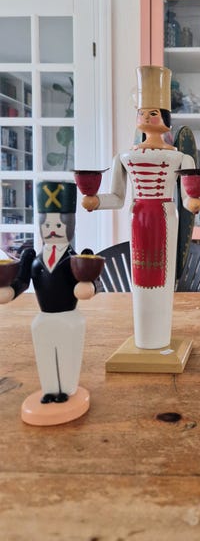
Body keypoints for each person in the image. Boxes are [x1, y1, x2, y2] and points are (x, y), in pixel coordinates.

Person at [82, 66, 200, 351]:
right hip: (137, 216)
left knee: (163, 279)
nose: (147, 117)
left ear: (166, 118)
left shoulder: (180, 158)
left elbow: (188, 196)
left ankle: (160, 338)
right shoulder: (125, 157)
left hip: (166, 217)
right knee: (141, 278)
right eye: (142, 112)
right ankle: (145, 339)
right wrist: (95, 201)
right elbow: (117, 197)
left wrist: (193, 202)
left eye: (154, 113)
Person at [0, 181, 97, 422]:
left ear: (70, 225)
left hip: (69, 316)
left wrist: (89, 287)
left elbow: (94, 280)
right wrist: (9, 292)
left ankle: (67, 389)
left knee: (66, 353)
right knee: (45, 353)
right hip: (43, 318)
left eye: (58, 225)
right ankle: (51, 390)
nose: (52, 230)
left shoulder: (76, 260)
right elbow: (22, 281)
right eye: (47, 225)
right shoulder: (32, 258)